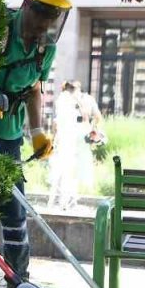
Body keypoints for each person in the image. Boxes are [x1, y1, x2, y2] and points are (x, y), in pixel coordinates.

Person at [0, 0, 72, 287]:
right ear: (26, 9)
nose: (40, 31)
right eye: (38, 23)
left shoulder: (46, 45)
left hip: (9, 131)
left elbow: (34, 88)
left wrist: (37, 131)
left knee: (14, 204)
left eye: (48, 25)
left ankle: (18, 278)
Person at [48, 80, 82, 211]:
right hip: (67, 141)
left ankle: (58, 201)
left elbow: (56, 123)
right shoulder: (68, 100)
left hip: (63, 140)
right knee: (66, 171)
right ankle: (65, 202)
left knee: (61, 171)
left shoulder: (62, 100)